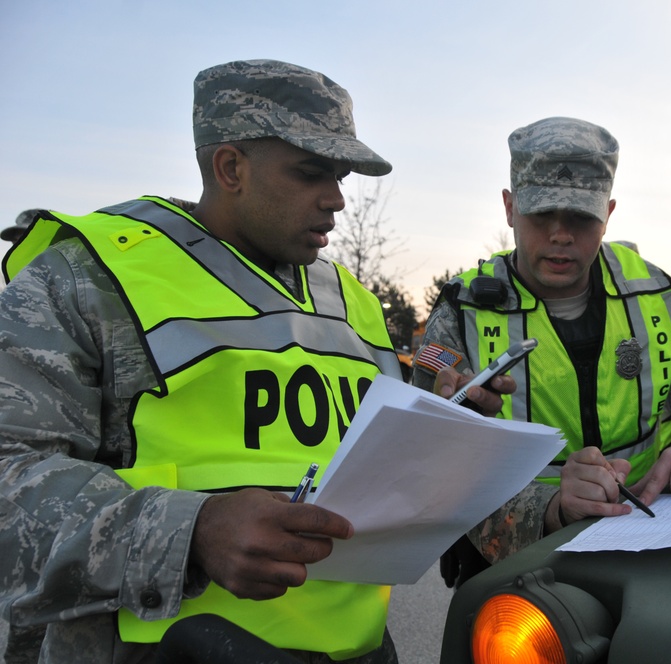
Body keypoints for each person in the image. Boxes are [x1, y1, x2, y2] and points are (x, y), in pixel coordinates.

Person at [0, 59, 509, 663]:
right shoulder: (89, 279)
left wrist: (441, 413)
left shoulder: (353, 302)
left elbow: (354, 451)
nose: (337, 199)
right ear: (230, 167)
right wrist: (191, 531)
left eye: (341, 175)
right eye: (311, 172)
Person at [412, 116, 671, 586]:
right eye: (542, 214)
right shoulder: (459, 314)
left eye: (582, 217)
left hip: (658, 543)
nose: (561, 235)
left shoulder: (663, 298)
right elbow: (440, 469)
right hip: (520, 572)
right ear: (509, 208)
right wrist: (551, 509)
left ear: (608, 212)